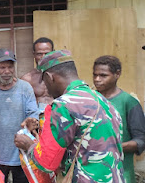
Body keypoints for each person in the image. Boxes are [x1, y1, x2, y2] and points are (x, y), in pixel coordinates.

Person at [14, 50, 125, 182]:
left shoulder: (62, 105)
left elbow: (47, 162)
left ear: (50, 77)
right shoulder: (104, 101)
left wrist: (28, 145)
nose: (46, 89)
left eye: (44, 82)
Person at [0, 48, 39, 183]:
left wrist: (31, 121)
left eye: (10, 67)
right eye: (2, 67)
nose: (7, 71)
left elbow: (33, 115)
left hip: (22, 155)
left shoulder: (25, 88)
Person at [93, 55, 145, 183]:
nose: (97, 79)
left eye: (103, 75)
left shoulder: (129, 102)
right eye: (95, 75)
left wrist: (111, 147)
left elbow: (140, 140)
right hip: (92, 174)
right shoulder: (90, 100)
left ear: (117, 74)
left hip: (121, 173)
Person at [21, 37, 54, 110]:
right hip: (36, 118)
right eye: (39, 54)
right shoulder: (27, 79)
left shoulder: (61, 76)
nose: (43, 57)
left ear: (53, 52)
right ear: (34, 54)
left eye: (47, 53)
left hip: (58, 117)